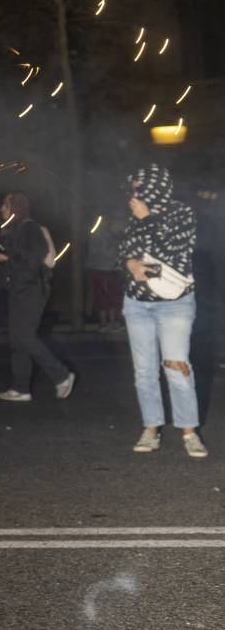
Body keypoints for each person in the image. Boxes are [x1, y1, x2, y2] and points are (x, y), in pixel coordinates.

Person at [118, 164, 206, 458]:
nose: (133, 193)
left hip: (175, 303)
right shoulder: (131, 215)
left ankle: (189, 432)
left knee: (176, 367)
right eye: (132, 188)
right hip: (137, 302)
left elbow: (177, 250)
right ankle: (151, 428)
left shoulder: (181, 212)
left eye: (138, 187)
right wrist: (129, 264)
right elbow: (123, 251)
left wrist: (148, 219)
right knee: (144, 372)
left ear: (154, 187)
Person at [0, 193, 76, 402]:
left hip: (31, 290)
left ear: (15, 208)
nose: (1, 209)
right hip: (19, 290)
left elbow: (34, 258)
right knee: (17, 339)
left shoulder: (30, 228)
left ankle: (62, 375)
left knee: (25, 336)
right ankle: (20, 388)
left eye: (5, 205)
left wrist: (8, 258)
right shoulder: (16, 230)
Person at [86, 212, 124, 332]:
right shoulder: (102, 236)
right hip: (103, 270)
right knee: (104, 297)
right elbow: (109, 254)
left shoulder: (102, 235)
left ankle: (111, 323)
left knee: (109, 297)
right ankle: (104, 324)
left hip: (106, 269)